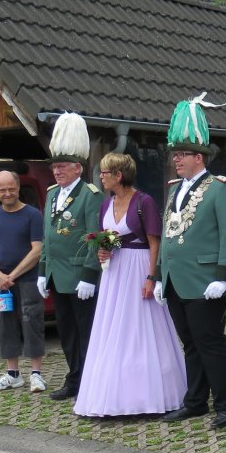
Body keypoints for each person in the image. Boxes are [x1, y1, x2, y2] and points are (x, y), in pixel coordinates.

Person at [153, 95, 226, 429]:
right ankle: (195, 401)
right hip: (176, 279)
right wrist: (160, 275)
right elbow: (167, 233)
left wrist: (223, 275)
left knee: (211, 342)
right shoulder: (175, 188)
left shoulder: (221, 188)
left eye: (181, 154)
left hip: (206, 280)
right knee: (190, 343)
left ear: (198, 157)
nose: (176, 159)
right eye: (174, 154)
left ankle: (225, 404)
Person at [74, 151, 187, 417]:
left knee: (140, 326)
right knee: (112, 326)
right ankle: (112, 394)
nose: (101, 177)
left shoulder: (143, 202)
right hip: (114, 272)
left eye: (105, 173)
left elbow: (155, 243)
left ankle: (150, 394)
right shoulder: (106, 204)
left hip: (138, 267)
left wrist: (151, 277)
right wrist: (102, 251)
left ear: (119, 175)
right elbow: (105, 238)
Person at [37, 112, 103, 401]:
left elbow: (95, 237)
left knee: (86, 331)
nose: (56, 171)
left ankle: (89, 380)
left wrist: (90, 275)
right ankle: (74, 377)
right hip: (57, 275)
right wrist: (42, 271)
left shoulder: (90, 195)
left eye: (62, 166)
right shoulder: (53, 194)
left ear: (78, 168)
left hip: (79, 277)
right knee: (66, 332)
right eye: (54, 166)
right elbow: (47, 236)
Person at [0, 170, 45, 392]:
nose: (7, 193)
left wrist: (12, 276)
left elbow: (37, 250)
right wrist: (0, 275)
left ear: (18, 188)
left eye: (11, 188)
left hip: (28, 279)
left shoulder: (33, 215)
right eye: (2, 190)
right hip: (0, 283)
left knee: (32, 321)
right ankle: (13, 374)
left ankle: (36, 374)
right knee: (4, 323)